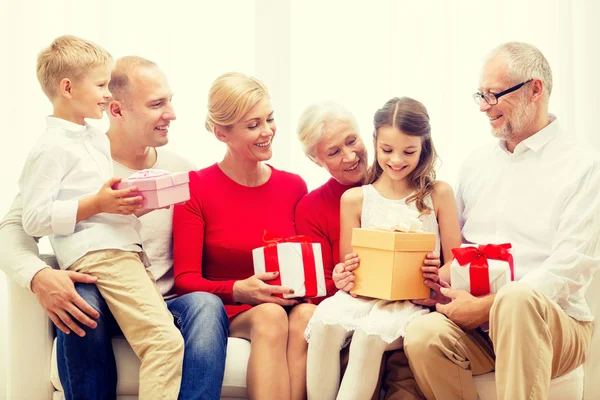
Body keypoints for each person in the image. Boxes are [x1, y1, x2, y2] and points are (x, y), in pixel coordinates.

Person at [0, 53, 229, 400]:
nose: (172, 114)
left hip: (161, 297)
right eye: (157, 104)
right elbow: (16, 225)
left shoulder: (179, 170)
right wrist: (38, 276)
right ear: (117, 110)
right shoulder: (76, 159)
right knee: (82, 299)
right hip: (101, 291)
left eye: (170, 101)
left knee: (207, 307)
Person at [403, 42, 600, 400]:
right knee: (422, 337)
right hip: (477, 325)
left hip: (554, 323)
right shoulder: (475, 164)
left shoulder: (584, 165)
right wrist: (440, 279)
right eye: (480, 95)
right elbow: (455, 247)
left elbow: (570, 267)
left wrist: (491, 304)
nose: (483, 107)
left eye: (493, 95)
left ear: (534, 90)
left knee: (517, 300)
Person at [303, 97, 462, 400]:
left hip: (413, 301)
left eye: (409, 151)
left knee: (368, 336)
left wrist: (435, 276)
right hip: (363, 298)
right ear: (374, 141)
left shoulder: (438, 194)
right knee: (324, 324)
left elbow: (455, 262)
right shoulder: (355, 199)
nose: (397, 160)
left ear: (424, 146)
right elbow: (348, 268)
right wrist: (342, 275)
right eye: (387, 150)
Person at [172, 72, 311, 400]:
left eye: (270, 119)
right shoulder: (195, 188)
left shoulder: (294, 186)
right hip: (231, 307)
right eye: (253, 125)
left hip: (284, 302)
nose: (267, 132)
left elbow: (303, 261)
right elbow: (185, 279)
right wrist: (238, 290)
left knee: (305, 314)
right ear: (222, 132)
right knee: (270, 315)